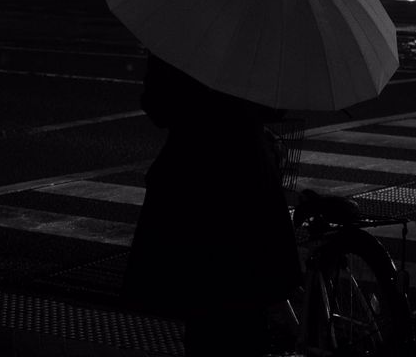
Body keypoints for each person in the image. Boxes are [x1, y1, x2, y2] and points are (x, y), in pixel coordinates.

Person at [123, 53, 302, 356]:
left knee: (204, 302)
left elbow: (159, 107)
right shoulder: (260, 34)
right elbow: (275, 105)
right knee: (249, 298)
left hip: (195, 177)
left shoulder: (182, 36)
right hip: (249, 175)